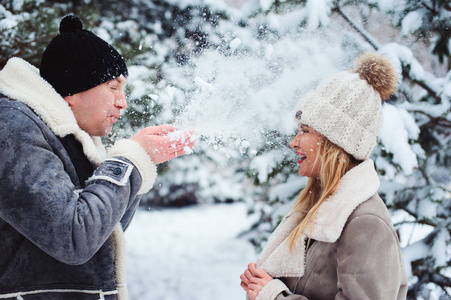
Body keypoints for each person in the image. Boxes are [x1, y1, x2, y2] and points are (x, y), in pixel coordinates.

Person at [0, 15, 195, 299]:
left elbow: (105, 234)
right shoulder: (13, 129)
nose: (122, 101)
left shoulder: (69, 138)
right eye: (113, 86)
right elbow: (74, 238)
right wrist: (127, 162)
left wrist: (139, 164)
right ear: (72, 91)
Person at [240, 53, 408, 300]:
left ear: (335, 143)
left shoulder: (365, 222)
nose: (293, 142)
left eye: (305, 131)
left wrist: (274, 297)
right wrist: (263, 285)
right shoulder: (323, 208)